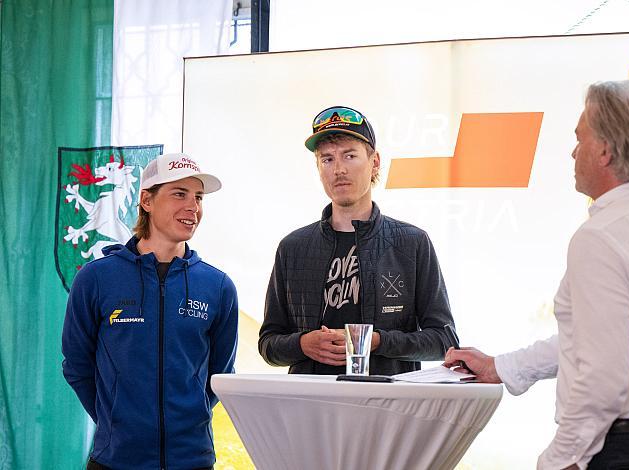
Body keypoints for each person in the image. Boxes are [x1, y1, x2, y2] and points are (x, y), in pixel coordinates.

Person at [445, 80, 629, 469]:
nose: (572, 151)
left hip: (623, 454)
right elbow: (595, 340)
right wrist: (501, 367)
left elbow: (602, 377)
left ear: (605, 150)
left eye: (580, 139)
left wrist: (560, 460)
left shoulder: (603, 236)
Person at [62, 153, 238, 470]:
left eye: (198, 197)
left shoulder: (218, 286)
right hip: (115, 460)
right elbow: (77, 365)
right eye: (179, 194)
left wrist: (184, 421)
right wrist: (115, 420)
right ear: (146, 200)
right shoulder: (96, 278)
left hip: (192, 460)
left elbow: (220, 375)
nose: (193, 207)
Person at [258, 105, 455, 375]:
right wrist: (302, 344)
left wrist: (379, 342)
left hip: (387, 406)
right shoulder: (293, 247)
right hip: (311, 406)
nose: (338, 169)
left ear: (374, 161)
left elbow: (444, 341)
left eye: (349, 156)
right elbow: (268, 344)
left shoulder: (412, 243)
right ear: (318, 168)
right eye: (327, 159)